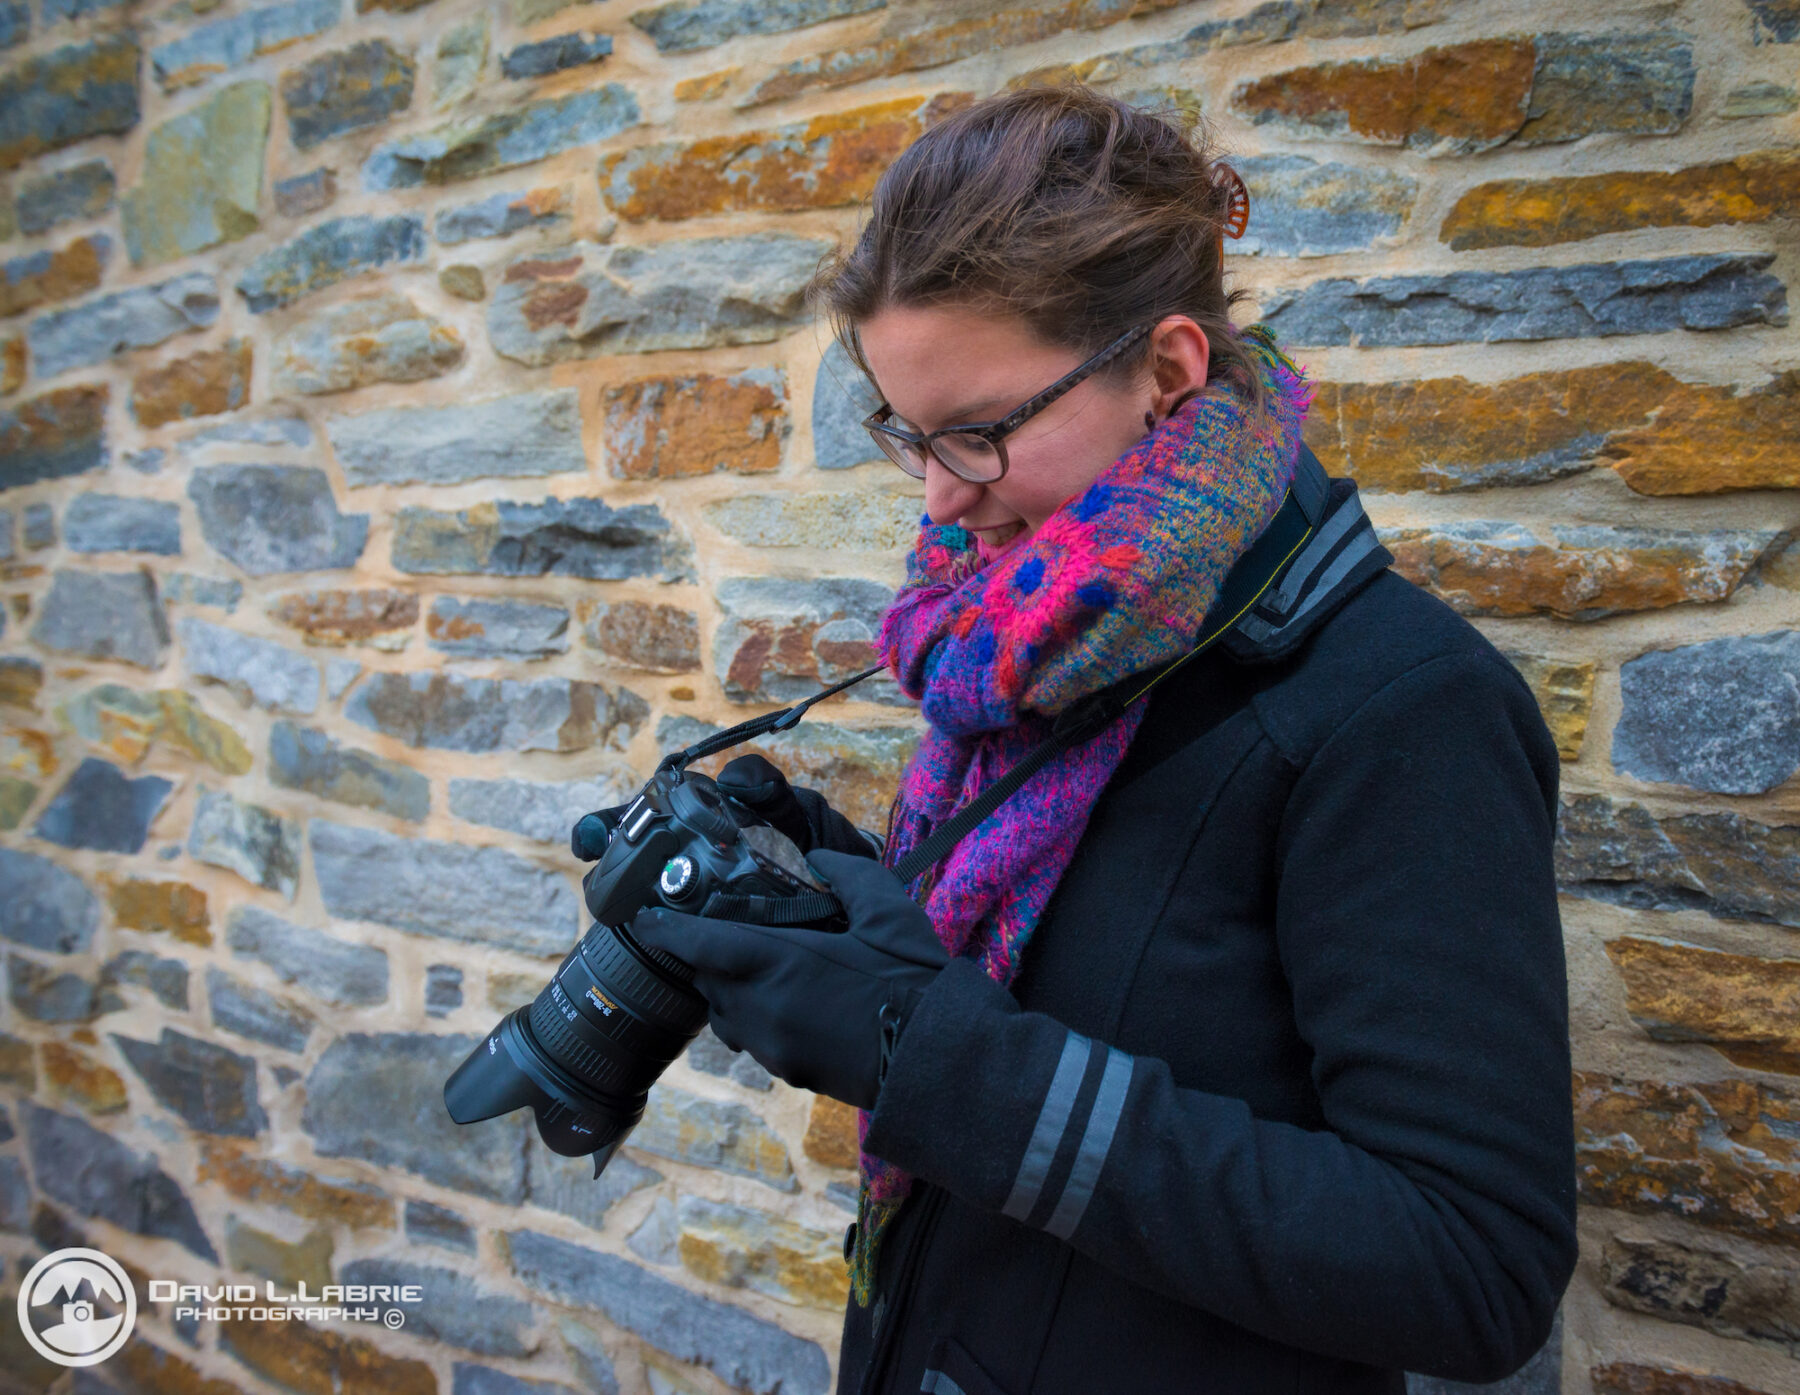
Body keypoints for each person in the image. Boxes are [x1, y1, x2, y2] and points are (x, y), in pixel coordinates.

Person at [625, 84, 1577, 1395]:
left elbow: (1471, 1269)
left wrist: (920, 1050)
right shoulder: (1031, 648)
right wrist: (836, 898)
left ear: (1169, 370)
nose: (943, 494)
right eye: (906, 431)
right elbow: (1095, 974)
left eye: (980, 432)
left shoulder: (1400, 708)